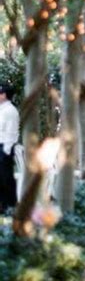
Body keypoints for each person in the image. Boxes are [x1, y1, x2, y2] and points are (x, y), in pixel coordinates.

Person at [0, 82, 20, 213]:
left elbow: (12, 133)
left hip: (4, 148)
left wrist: (5, 152)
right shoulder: (2, 109)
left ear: (5, 95)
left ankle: (10, 207)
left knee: (6, 179)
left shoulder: (10, 111)